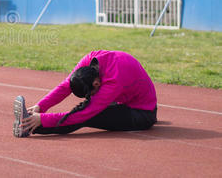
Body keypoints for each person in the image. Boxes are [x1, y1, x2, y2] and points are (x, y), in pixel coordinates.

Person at [13, 50, 157, 137]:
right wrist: (40, 106)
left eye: (90, 94)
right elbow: (66, 85)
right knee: (90, 109)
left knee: (88, 115)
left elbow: (84, 114)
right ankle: (29, 121)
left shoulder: (114, 80)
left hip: (141, 114)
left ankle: (29, 126)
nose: (90, 97)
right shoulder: (90, 59)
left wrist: (43, 119)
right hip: (125, 100)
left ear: (96, 84)